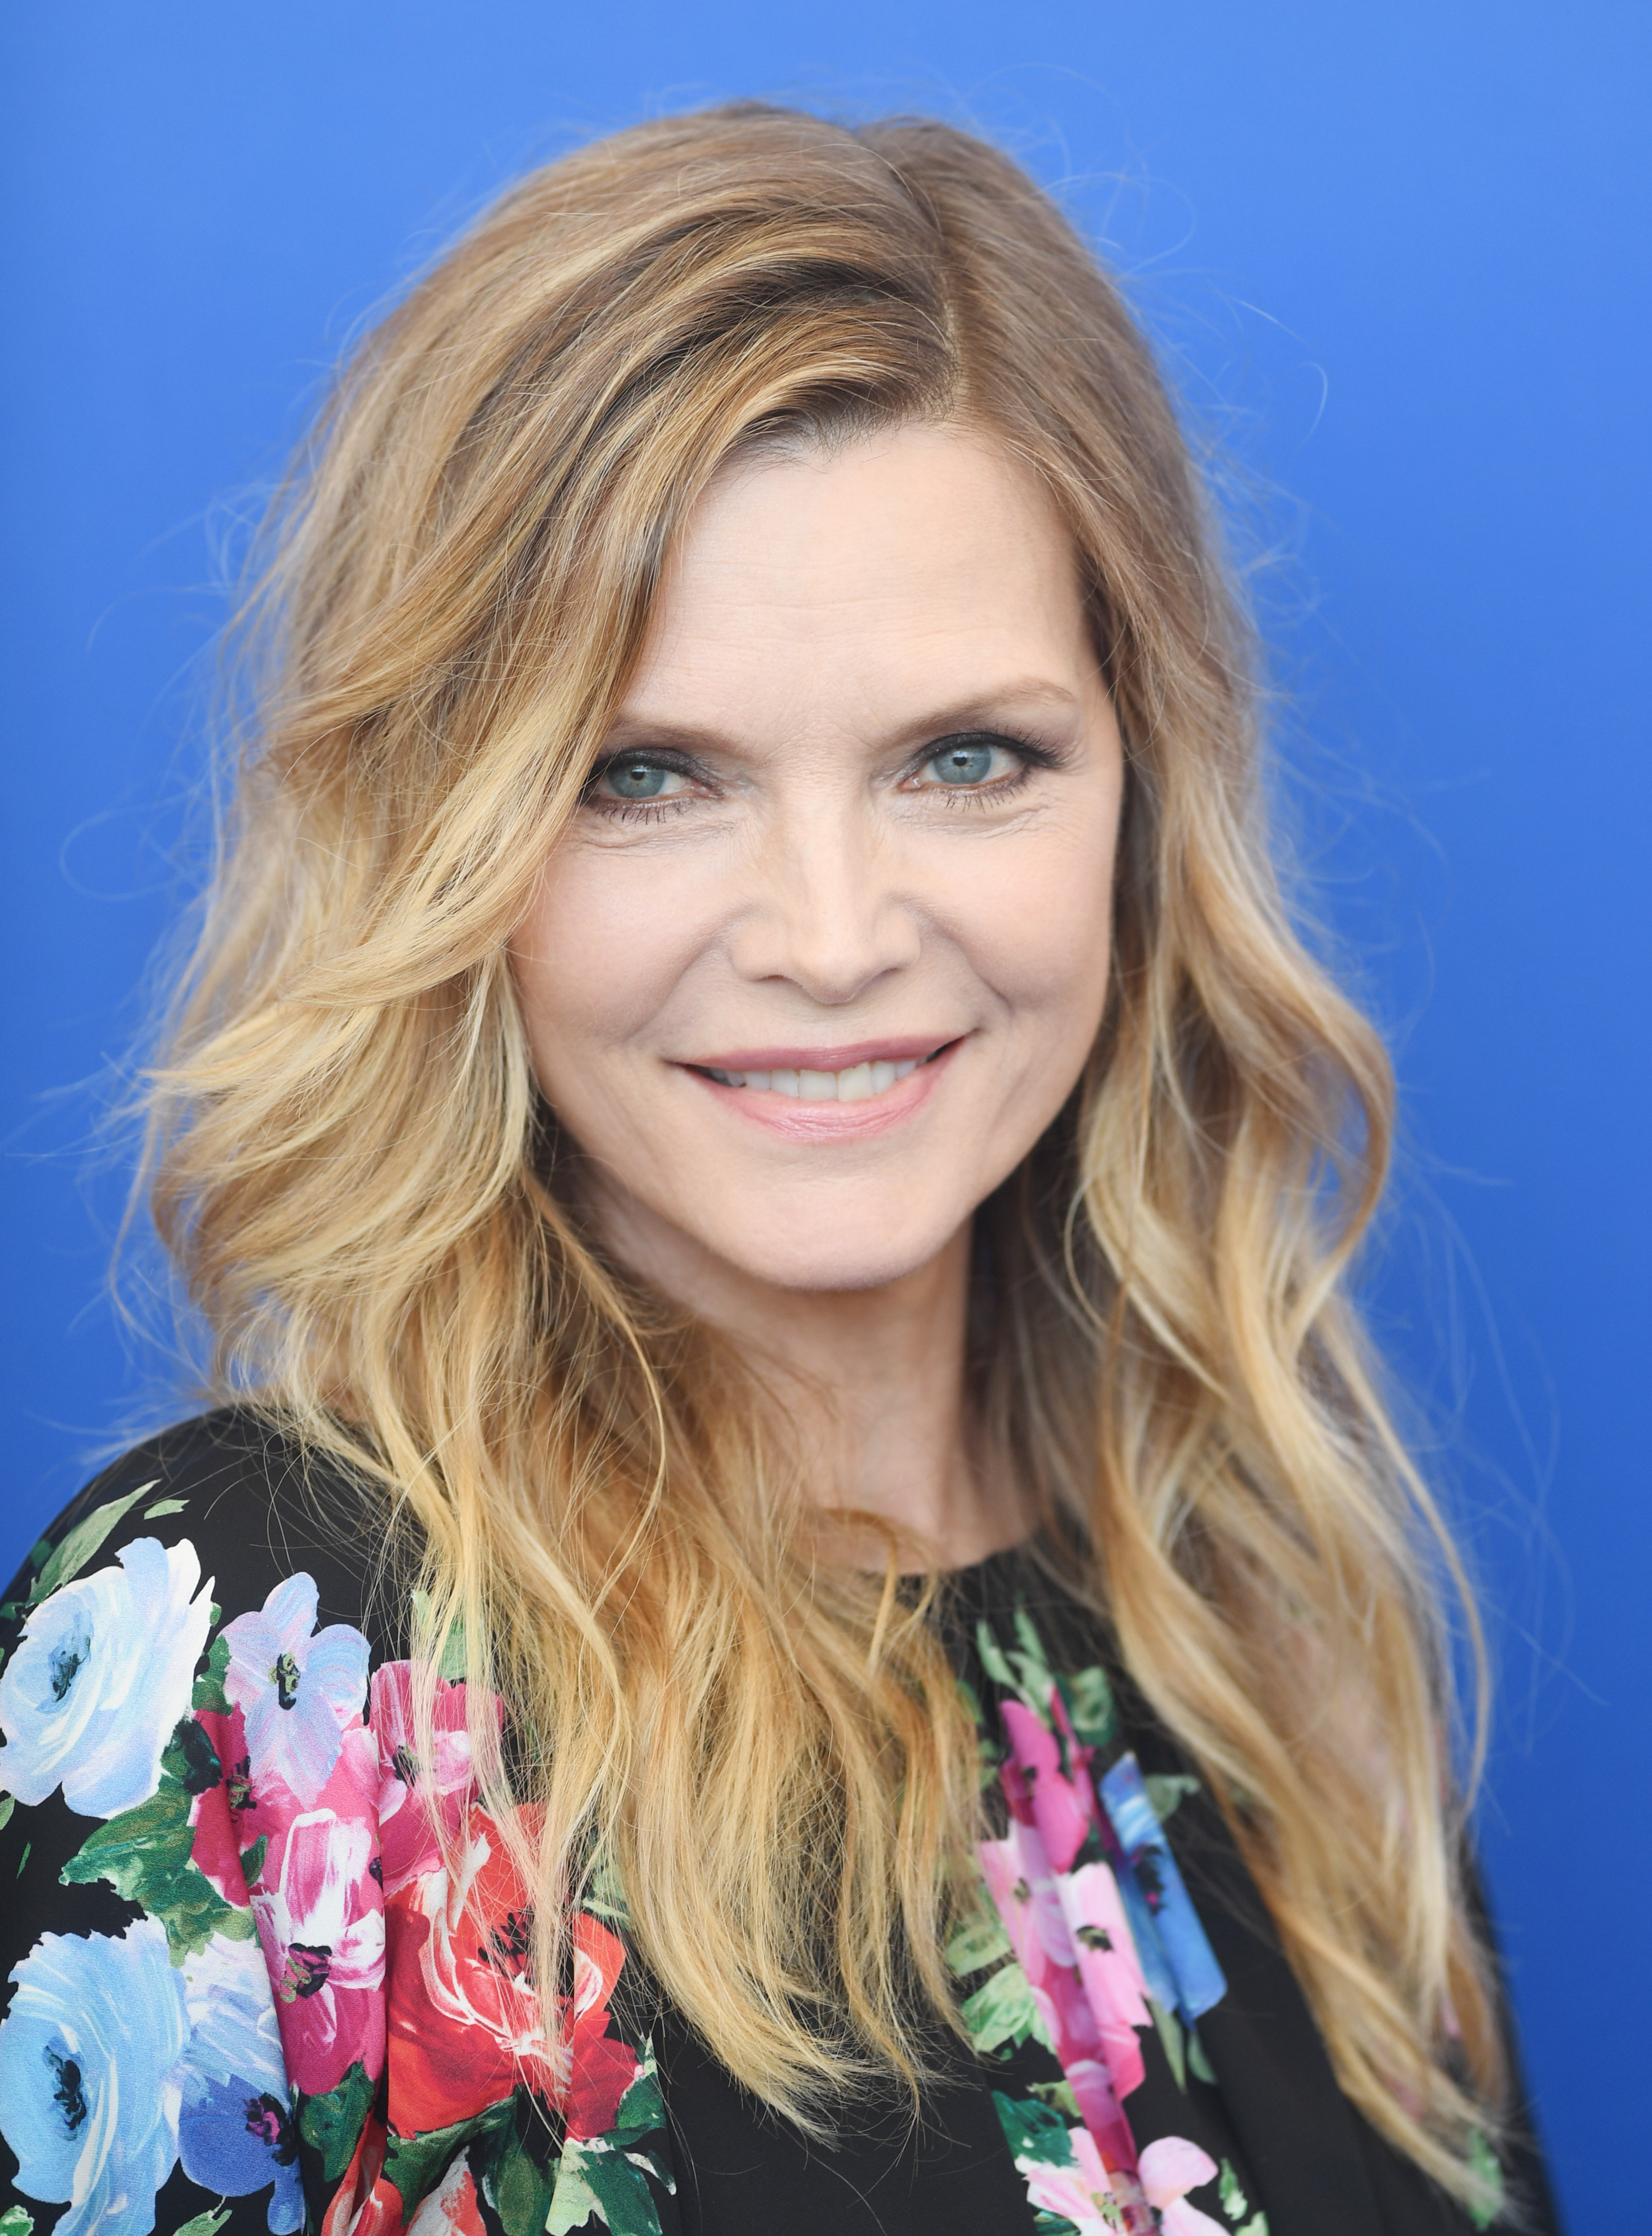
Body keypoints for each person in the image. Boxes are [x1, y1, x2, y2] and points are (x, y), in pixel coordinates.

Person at [0, 105, 1559, 2236]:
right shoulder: (250, 1655)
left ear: (1142, 795)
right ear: (451, 841)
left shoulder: (1270, 1640)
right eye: (648, 776)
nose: (831, 937)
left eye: (968, 758)